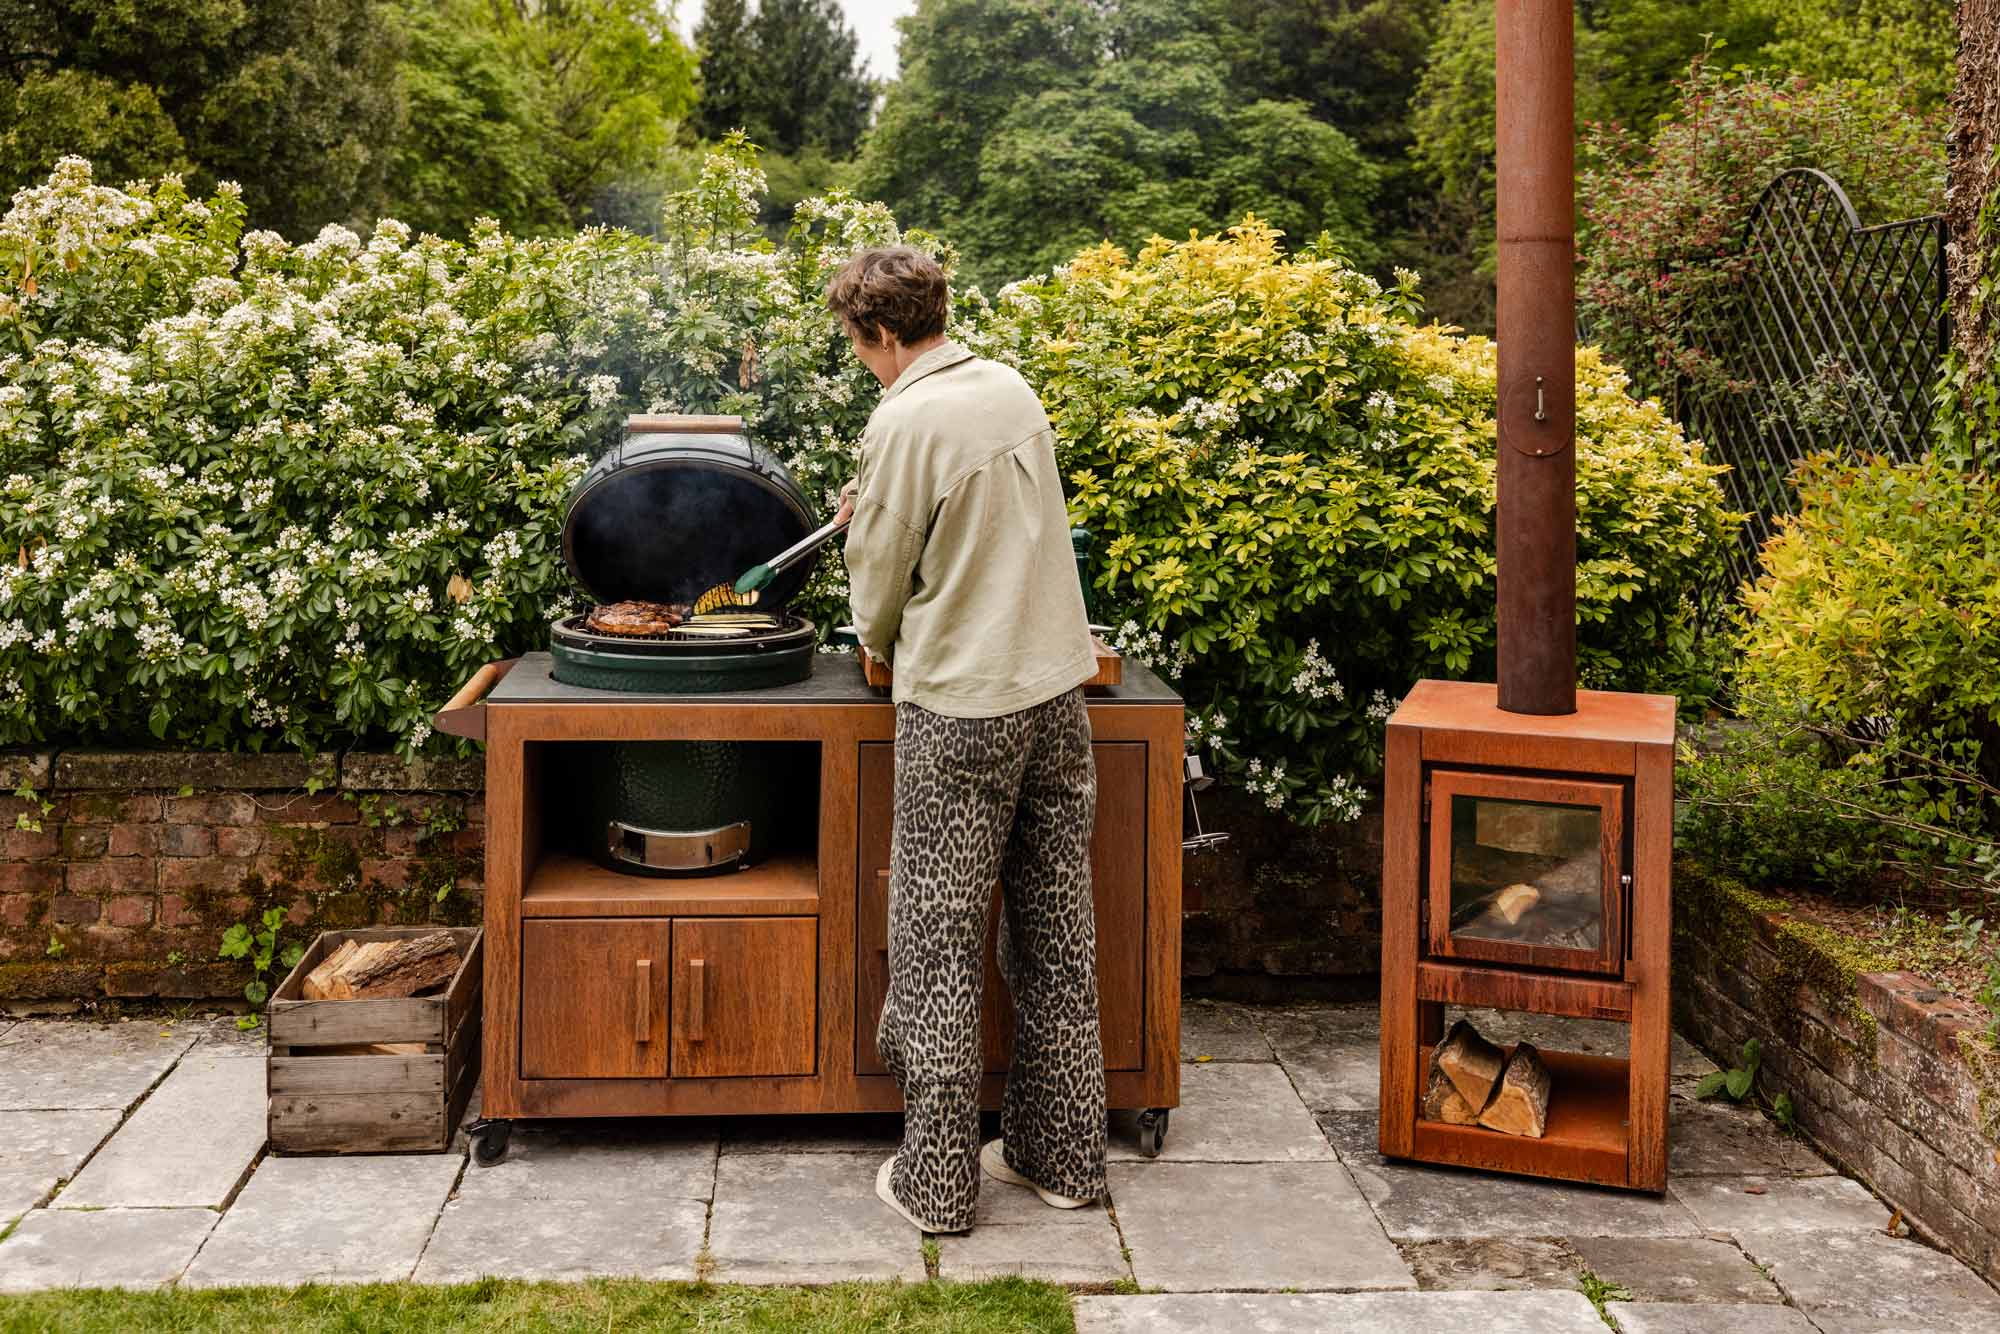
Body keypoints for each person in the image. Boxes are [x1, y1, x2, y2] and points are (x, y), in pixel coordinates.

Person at [828, 245, 1106, 1234]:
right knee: (1055, 931)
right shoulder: (1008, 387)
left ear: (884, 333)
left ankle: (937, 1185)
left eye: (859, 344)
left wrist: (865, 549)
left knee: (937, 944)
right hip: (1057, 694)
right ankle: (1062, 1153)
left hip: (962, 710)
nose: (863, 361)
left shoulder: (903, 415)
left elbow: (877, 590)